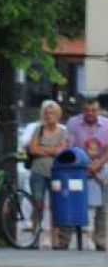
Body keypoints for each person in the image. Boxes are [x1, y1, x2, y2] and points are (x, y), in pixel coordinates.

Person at [61, 97, 108, 250]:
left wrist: (98, 164)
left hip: (101, 166)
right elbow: (69, 146)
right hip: (77, 167)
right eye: (87, 110)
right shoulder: (73, 123)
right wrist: (85, 165)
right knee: (69, 201)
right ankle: (64, 240)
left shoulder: (106, 124)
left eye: (93, 110)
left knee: (103, 206)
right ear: (82, 110)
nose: (90, 113)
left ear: (98, 110)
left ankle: (100, 241)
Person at [26, 100, 69, 246]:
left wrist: (42, 149)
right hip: (38, 171)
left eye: (52, 113)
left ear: (58, 115)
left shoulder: (63, 131)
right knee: (37, 204)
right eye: (47, 113)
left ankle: (55, 239)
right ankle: (35, 237)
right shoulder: (38, 129)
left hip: (56, 172)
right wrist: (51, 150)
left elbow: (60, 151)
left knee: (55, 205)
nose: (49, 116)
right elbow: (32, 149)